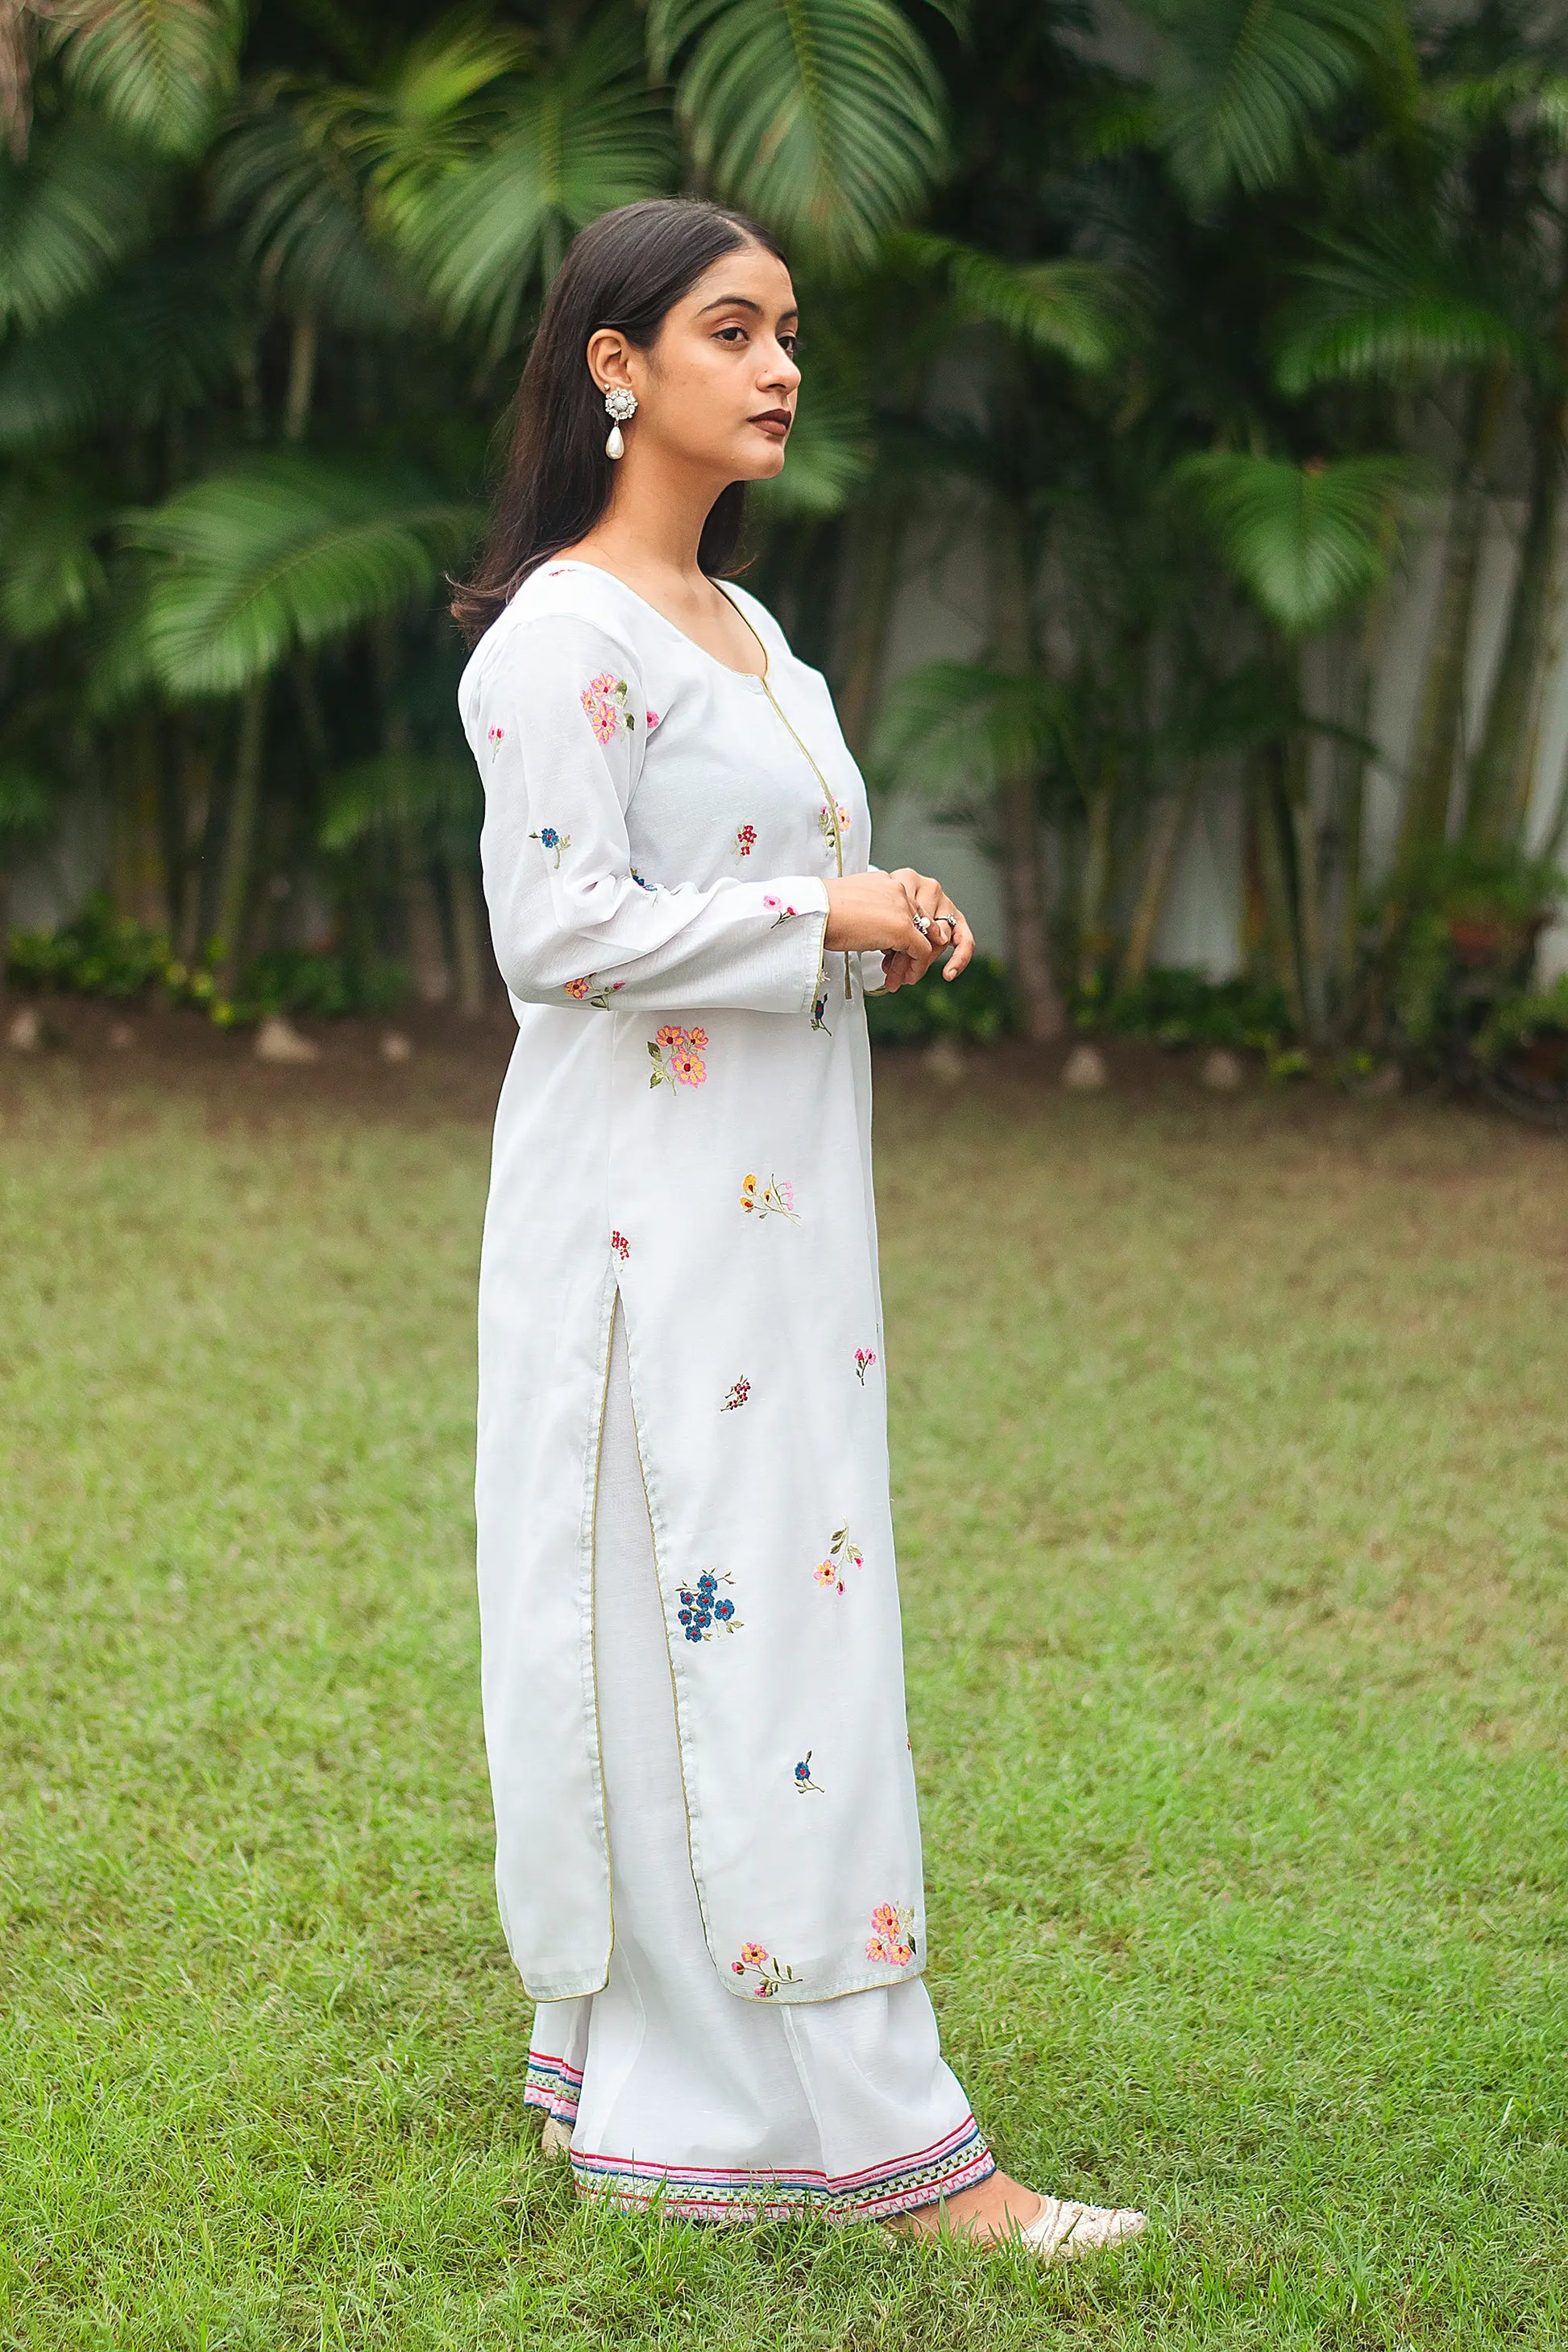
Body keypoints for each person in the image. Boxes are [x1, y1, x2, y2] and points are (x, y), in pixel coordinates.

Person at [453, 195, 1146, 2261]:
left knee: (773, 1603)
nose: (779, 369)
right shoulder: (556, 639)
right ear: (614, 365)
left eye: (790, 335)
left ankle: (716, 2071)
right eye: (732, 330)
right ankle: (882, 2134)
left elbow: (753, 897)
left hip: (781, 1227)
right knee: (725, 1616)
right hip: (641, 1234)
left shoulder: (757, 644)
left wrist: (878, 918)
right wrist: (807, 915)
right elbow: (555, 934)